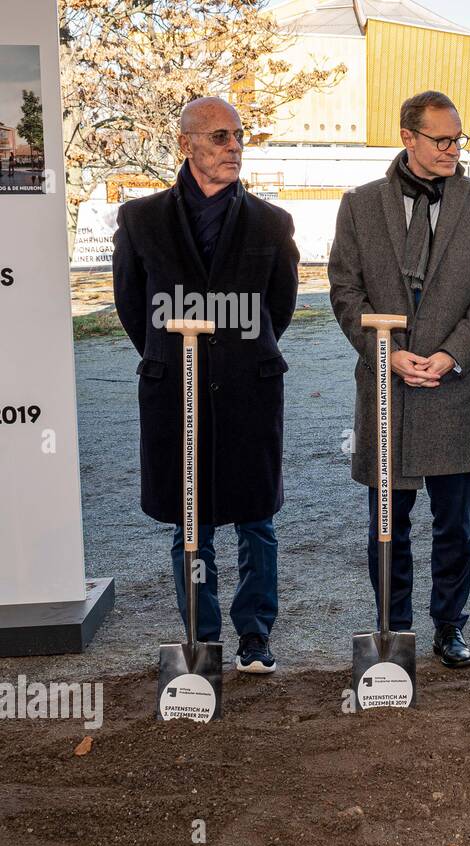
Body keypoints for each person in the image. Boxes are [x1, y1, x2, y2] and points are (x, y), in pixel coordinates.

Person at [113, 96, 299, 673]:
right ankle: (202, 636)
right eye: (220, 136)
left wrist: (238, 354)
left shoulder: (272, 222)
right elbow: (132, 306)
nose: (234, 146)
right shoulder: (140, 220)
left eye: (239, 135)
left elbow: (280, 307)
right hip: (174, 391)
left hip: (249, 390)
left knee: (256, 519)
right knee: (187, 518)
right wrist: (173, 356)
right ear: (186, 144)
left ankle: (255, 637)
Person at [329, 90, 470, 669]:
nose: (453, 149)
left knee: (455, 525)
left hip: (456, 390)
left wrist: (451, 354)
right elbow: (344, 292)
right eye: (441, 140)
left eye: (458, 138)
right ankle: (394, 630)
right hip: (388, 393)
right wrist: (389, 355)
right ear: (408, 138)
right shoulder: (358, 205)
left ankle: (450, 626)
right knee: (389, 523)